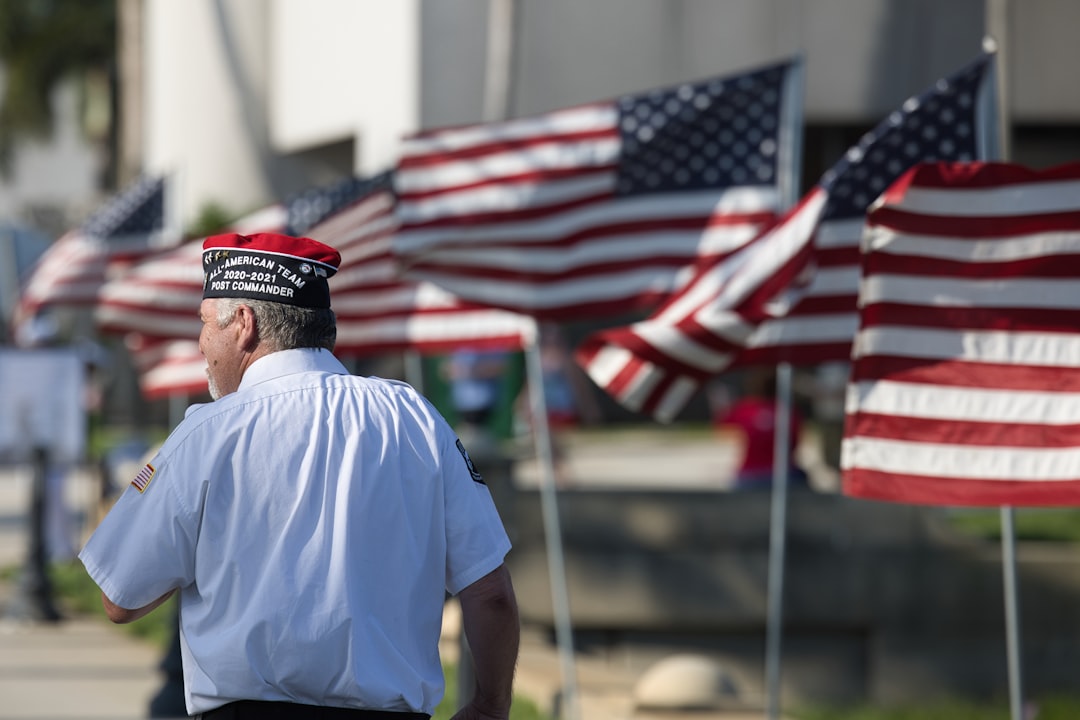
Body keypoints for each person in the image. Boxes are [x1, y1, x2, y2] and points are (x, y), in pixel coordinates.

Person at [78, 232, 520, 720]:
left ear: (243, 324)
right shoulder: (414, 418)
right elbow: (491, 594)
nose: (202, 343)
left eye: (204, 324)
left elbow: (120, 597)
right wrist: (489, 706)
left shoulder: (207, 432)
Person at [715, 367, 808, 491]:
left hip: (749, 474)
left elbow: (722, 424)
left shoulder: (745, 409)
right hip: (782, 472)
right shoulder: (788, 411)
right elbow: (795, 442)